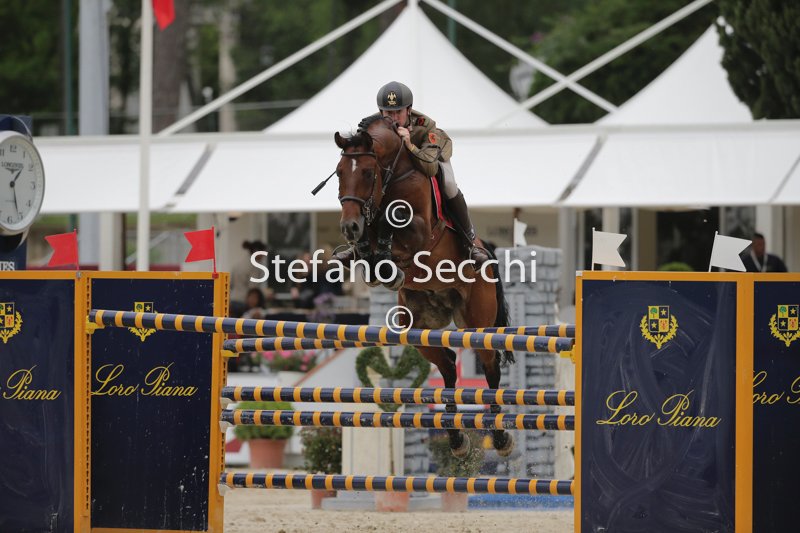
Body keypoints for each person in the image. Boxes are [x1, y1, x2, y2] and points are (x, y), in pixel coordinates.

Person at [334, 81, 488, 266]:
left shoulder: (425, 126)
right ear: (381, 112)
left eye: (398, 112)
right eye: (388, 113)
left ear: (408, 110)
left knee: (449, 184)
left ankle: (469, 243)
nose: (393, 118)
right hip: (394, 170)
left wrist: (409, 144)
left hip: (429, 156)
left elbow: (430, 167)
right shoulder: (371, 126)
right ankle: (356, 248)